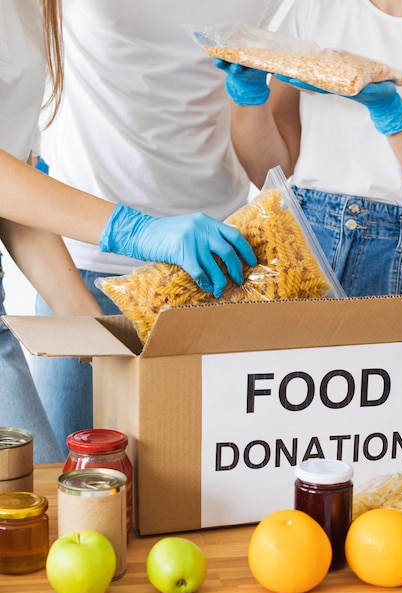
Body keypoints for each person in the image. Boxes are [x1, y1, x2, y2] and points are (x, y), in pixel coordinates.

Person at [1, 0, 257, 461]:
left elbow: (15, 179)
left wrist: (82, 316)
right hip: (87, 264)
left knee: (52, 496)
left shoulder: (35, 13)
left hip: (12, 298)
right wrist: (131, 229)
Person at [215, 0, 402, 299]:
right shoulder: (315, 8)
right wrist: (248, 96)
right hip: (299, 246)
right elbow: (269, 172)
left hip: (399, 261)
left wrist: (392, 117)